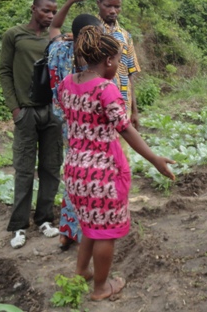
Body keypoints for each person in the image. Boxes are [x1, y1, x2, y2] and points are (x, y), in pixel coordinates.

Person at [57, 26, 175, 301]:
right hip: (103, 174)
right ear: (108, 61)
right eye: (119, 61)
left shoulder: (67, 83)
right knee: (106, 232)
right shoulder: (106, 89)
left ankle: (82, 272)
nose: (119, 67)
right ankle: (101, 288)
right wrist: (155, 159)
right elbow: (125, 129)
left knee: (89, 224)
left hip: (75, 171)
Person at [0, 0, 62, 249]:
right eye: (46, 10)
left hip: (52, 111)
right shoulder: (14, 35)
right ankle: (18, 226)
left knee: (51, 166)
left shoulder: (55, 38)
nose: (50, 15)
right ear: (34, 9)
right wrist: (15, 108)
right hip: (26, 111)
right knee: (24, 170)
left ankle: (45, 219)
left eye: (54, 11)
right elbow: (4, 71)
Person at [48, 0, 97, 250]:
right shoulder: (89, 60)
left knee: (72, 172)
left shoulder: (58, 48)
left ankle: (66, 230)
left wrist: (70, 0)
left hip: (62, 119)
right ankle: (80, 230)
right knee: (87, 177)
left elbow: (54, 28)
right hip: (84, 124)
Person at [96, 0, 141, 130]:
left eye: (117, 7)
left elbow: (130, 74)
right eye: (108, 6)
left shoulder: (126, 36)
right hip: (97, 108)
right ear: (99, 3)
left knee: (122, 152)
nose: (113, 11)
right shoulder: (90, 32)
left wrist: (134, 111)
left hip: (123, 107)